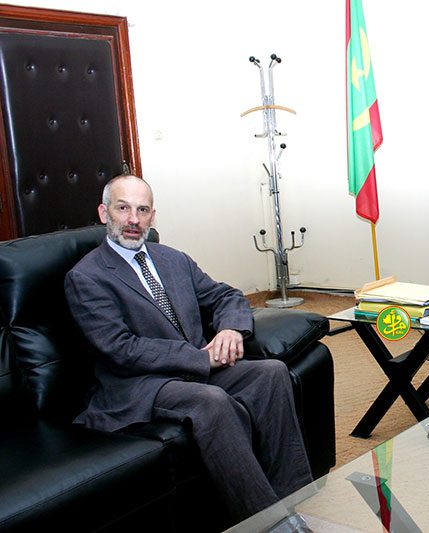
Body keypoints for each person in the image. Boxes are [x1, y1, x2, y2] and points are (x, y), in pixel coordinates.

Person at [65, 174, 313, 523]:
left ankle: (296, 499)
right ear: (104, 213)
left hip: (193, 369)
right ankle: (270, 523)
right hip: (141, 385)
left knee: (272, 373)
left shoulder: (173, 259)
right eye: (123, 208)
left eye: (142, 210)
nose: (133, 219)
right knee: (211, 401)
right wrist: (200, 357)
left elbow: (225, 295)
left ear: (153, 217)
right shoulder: (86, 276)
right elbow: (120, 349)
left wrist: (230, 329)